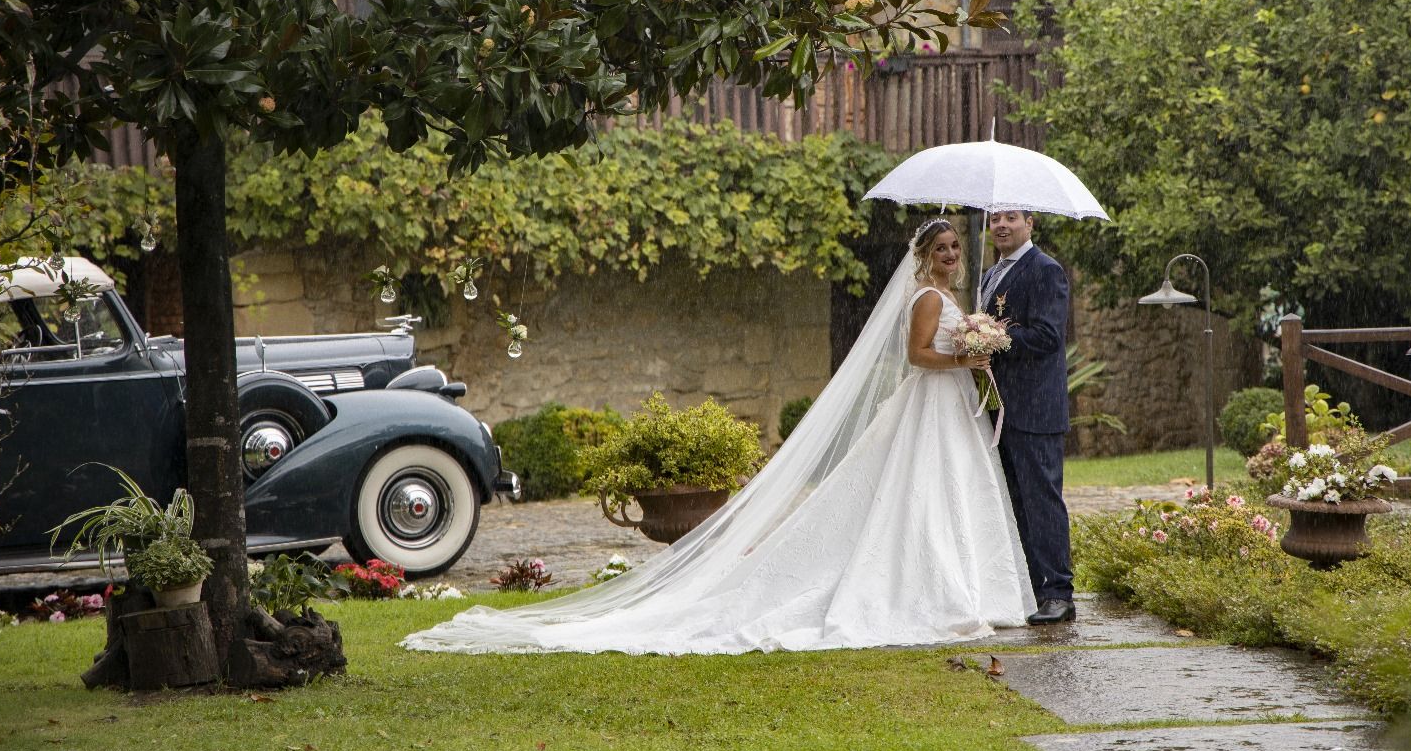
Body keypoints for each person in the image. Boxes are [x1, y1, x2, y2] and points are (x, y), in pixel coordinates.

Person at [401, 218, 1035, 655]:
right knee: (920, 494)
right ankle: (938, 589)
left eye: (958, 248)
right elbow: (919, 356)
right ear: (926, 255)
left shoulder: (955, 296)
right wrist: (968, 359)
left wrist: (979, 343)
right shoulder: (928, 297)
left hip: (950, 410)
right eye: (945, 248)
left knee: (946, 494)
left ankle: (972, 584)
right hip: (933, 402)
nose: (954, 255)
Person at [978, 209, 1074, 625]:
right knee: (1014, 501)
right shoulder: (989, 275)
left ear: (1030, 223)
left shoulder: (1045, 270)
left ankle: (1059, 593)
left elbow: (1049, 336)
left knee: (1042, 502)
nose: (1001, 225)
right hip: (1000, 408)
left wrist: (993, 337)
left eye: (1011, 218)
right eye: (995, 218)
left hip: (1036, 408)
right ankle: (1033, 590)